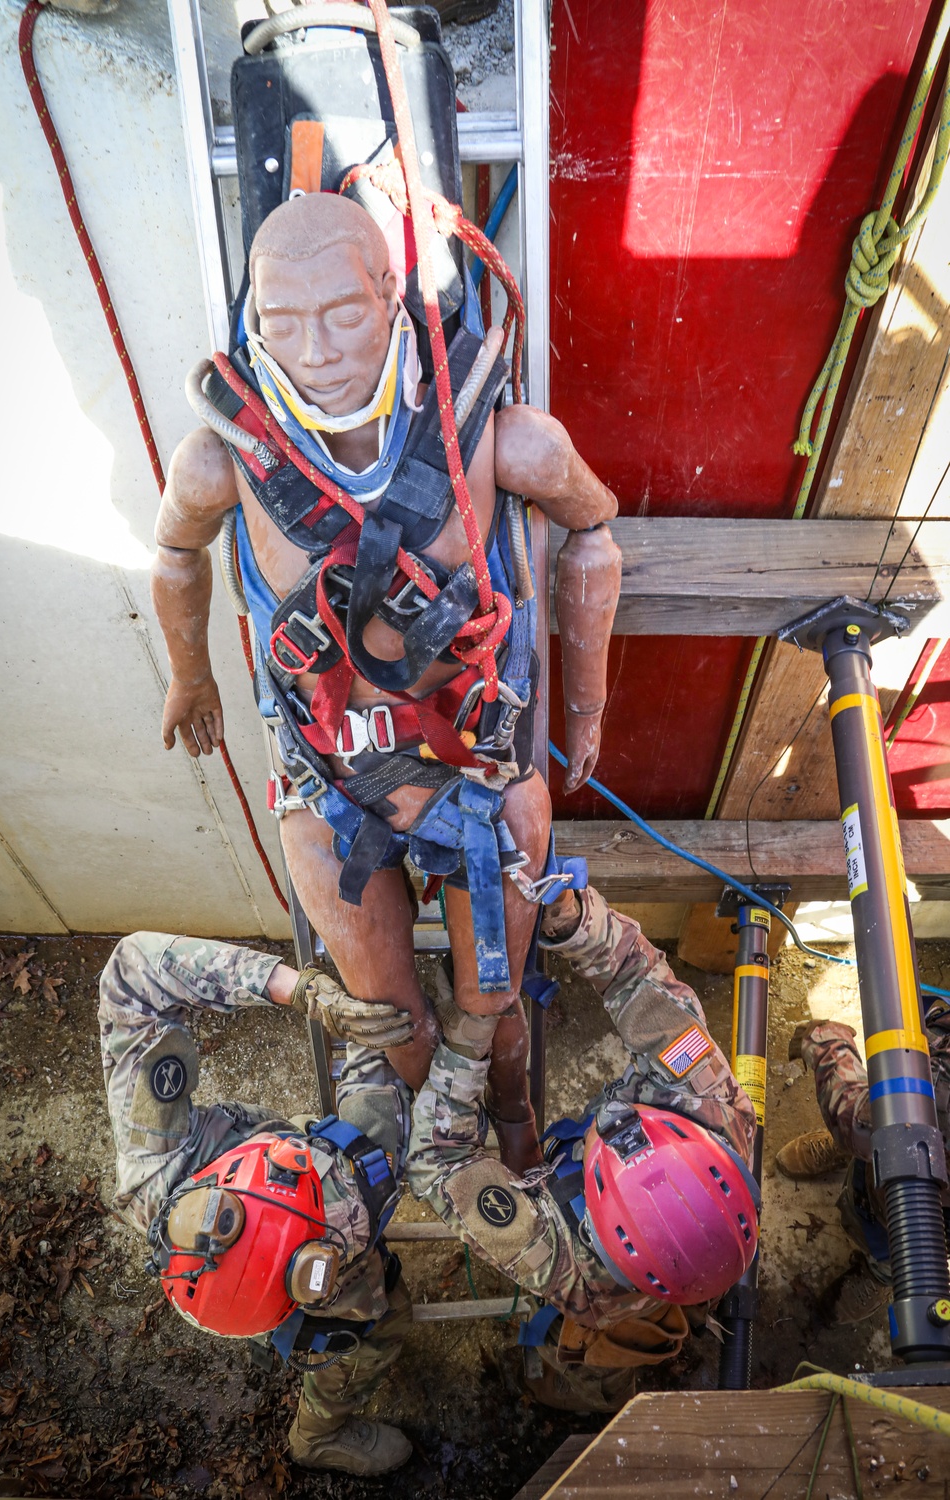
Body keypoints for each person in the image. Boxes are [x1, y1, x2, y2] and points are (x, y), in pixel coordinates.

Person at [151, 191, 621, 1173]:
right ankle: (431, 1137)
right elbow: (176, 559)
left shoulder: (503, 437)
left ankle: (505, 1099)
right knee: (382, 1009)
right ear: (254, 318)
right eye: (283, 323)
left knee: (494, 1001)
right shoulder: (219, 463)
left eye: (342, 314)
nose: (314, 349)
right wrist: (187, 678)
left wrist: (584, 706)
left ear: (391, 295)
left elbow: (594, 530)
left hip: (481, 769)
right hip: (331, 785)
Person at [407, 883, 759, 1411]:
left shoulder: (568, 1268)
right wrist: (574, 923)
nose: (612, 1117)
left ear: (596, 1218)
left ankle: (583, 1393)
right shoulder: (709, 1103)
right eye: (630, 1125)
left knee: (595, 1363)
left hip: (614, 1303)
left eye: (609, 1138)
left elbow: (435, 1163)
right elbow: (637, 977)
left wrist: (468, 1040)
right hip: (688, 1267)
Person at [98, 931, 420, 1475]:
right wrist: (379, 1031)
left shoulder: (154, 1160)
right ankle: (318, 1435)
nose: (294, 1163)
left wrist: (295, 989)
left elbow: (134, 969)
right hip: (320, 1245)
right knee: (381, 1318)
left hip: (262, 1237)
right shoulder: (342, 1222)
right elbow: (374, 1124)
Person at [775, 1012, 950, 1324]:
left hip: (926, 1212)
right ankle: (851, 1150)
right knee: (877, 1125)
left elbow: (861, 1117)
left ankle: (881, 1273)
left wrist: (824, 1040)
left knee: (904, 1243)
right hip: (905, 1134)